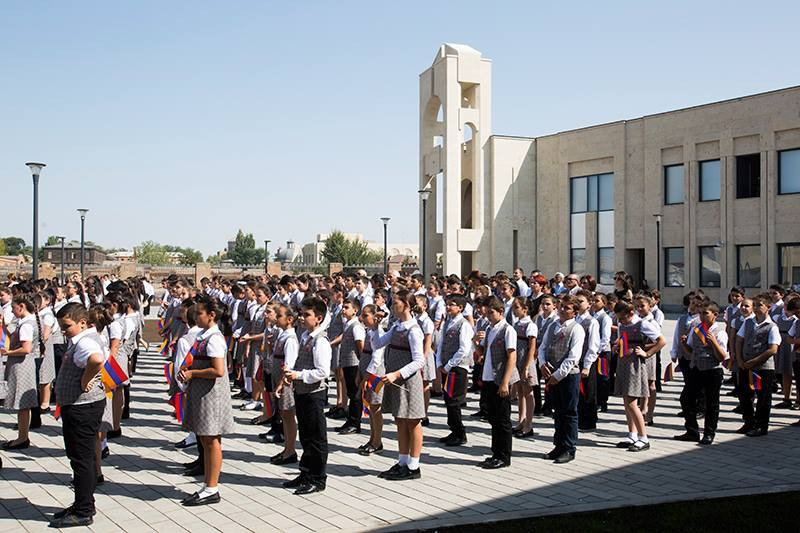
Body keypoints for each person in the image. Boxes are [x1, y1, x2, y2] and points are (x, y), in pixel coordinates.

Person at [50, 302, 107, 528]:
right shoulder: (83, 338)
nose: (63, 331)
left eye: (67, 326)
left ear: (82, 323)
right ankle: (82, 503)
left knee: (81, 459)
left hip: (82, 407)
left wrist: (85, 380)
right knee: (83, 457)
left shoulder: (85, 342)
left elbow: (96, 359)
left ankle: (84, 510)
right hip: (81, 406)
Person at [179, 296, 235, 506]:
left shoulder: (215, 339)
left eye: (199, 313)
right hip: (202, 391)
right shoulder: (204, 335)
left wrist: (193, 373)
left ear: (211, 315)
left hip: (211, 394)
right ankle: (207, 485)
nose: (196, 316)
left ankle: (212, 488)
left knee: (211, 440)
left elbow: (218, 370)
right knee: (205, 439)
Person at [371, 290, 426, 481]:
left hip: (408, 381)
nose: (392, 307)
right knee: (400, 420)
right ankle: (402, 461)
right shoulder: (396, 326)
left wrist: (397, 374)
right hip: (395, 380)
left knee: (413, 422)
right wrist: (376, 326)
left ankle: (414, 465)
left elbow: (419, 360)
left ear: (407, 306)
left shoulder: (414, 330)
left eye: (396, 303)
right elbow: (378, 343)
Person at [282, 296, 331, 495]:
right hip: (302, 391)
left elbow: (322, 371)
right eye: (301, 314)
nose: (301, 318)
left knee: (316, 437)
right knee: (306, 435)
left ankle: (317, 478)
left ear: (318, 318)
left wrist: (299, 375)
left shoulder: (321, 341)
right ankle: (305, 473)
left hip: (314, 394)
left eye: (307, 315)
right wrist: (291, 373)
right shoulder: (305, 336)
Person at [613, 299, 665, 452]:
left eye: (622, 318)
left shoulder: (642, 324)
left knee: (632, 402)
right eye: (618, 319)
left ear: (631, 313)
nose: (620, 321)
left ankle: (644, 437)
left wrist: (646, 353)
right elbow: (623, 340)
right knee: (626, 400)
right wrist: (617, 346)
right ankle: (632, 434)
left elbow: (661, 341)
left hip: (635, 365)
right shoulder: (622, 325)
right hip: (623, 363)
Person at [538, 296, 584, 464]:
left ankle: (569, 448)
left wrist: (558, 375)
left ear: (575, 312)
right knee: (557, 411)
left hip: (568, 375)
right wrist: (542, 364)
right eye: (562, 306)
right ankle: (558, 445)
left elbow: (573, 356)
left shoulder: (576, 329)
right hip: (551, 373)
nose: (563, 310)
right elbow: (543, 347)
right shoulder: (552, 326)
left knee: (569, 412)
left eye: (567, 308)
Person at [475, 296, 519, 469]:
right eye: (486, 313)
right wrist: (475, 342)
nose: (488, 316)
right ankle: (495, 453)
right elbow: (483, 353)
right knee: (493, 418)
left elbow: (512, 357)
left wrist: (505, 382)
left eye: (491, 313)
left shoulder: (508, 330)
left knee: (502, 419)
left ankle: (504, 456)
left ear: (501, 311)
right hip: (488, 378)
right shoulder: (489, 328)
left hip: (500, 379)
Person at [675, 301, 727, 445]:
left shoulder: (720, 332)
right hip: (696, 369)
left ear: (715, 315)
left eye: (705, 313)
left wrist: (713, 342)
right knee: (686, 399)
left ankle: (709, 433)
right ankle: (692, 431)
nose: (702, 317)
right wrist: (684, 344)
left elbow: (722, 357)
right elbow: (691, 351)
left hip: (712, 371)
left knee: (711, 403)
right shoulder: (696, 329)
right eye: (700, 313)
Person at [734, 293, 780, 437]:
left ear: (768, 307)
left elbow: (773, 349)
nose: (756, 308)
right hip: (745, 365)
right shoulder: (748, 322)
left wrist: (754, 361)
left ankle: (761, 425)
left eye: (760, 305)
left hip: (762, 368)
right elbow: (739, 339)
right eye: (754, 305)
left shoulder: (772, 326)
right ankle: (749, 421)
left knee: (763, 397)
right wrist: (739, 359)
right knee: (744, 395)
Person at [1, 294, 41, 450]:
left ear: (22, 306)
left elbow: (26, 348)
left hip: (22, 365)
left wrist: (8, 352)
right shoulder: (27, 322)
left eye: (13, 307)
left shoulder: (26, 325)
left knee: (23, 405)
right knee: (23, 405)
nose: (12, 311)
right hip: (24, 365)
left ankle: (22, 438)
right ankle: (22, 436)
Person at [435, 294, 474, 446]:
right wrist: (439, 362)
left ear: (460, 308)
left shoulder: (464, 324)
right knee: (448, 399)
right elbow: (441, 343)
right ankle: (453, 430)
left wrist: (448, 365)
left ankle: (460, 433)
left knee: (454, 401)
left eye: (452, 304)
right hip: (446, 366)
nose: (448, 307)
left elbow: (464, 349)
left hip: (457, 368)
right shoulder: (447, 322)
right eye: (447, 304)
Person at [270, 304, 300, 465]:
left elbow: (289, 363)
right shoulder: (282, 335)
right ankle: (287, 449)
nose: (276, 318)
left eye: (279, 315)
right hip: (278, 379)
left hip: (286, 382)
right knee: (283, 413)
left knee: (288, 414)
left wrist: (282, 382)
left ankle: (290, 450)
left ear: (289, 319)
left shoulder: (290, 339)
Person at [358, 304, 386, 455]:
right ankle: (372, 438)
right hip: (366, 373)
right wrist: (359, 373)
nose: (363, 318)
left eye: (366, 315)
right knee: (370, 406)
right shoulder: (369, 332)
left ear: (375, 317)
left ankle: (377, 441)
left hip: (375, 375)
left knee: (375, 407)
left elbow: (376, 359)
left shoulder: (379, 333)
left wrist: (366, 378)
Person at [510, 296, 537, 438]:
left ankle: (529, 424)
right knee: (520, 391)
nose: (514, 310)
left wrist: (527, 366)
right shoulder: (517, 323)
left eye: (516, 307)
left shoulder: (530, 325)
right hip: (517, 360)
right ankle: (521, 420)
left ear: (525, 309)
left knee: (528, 392)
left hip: (526, 361)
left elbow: (532, 348)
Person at [574, 290, 600, 431]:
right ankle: (578, 418)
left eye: (581, 301)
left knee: (588, 392)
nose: (578, 304)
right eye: (576, 301)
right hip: (575, 361)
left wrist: (587, 365)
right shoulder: (575, 319)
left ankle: (589, 421)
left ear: (589, 304)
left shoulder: (592, 322)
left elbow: (593, 345)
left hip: (586, 361)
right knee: (577, 391)